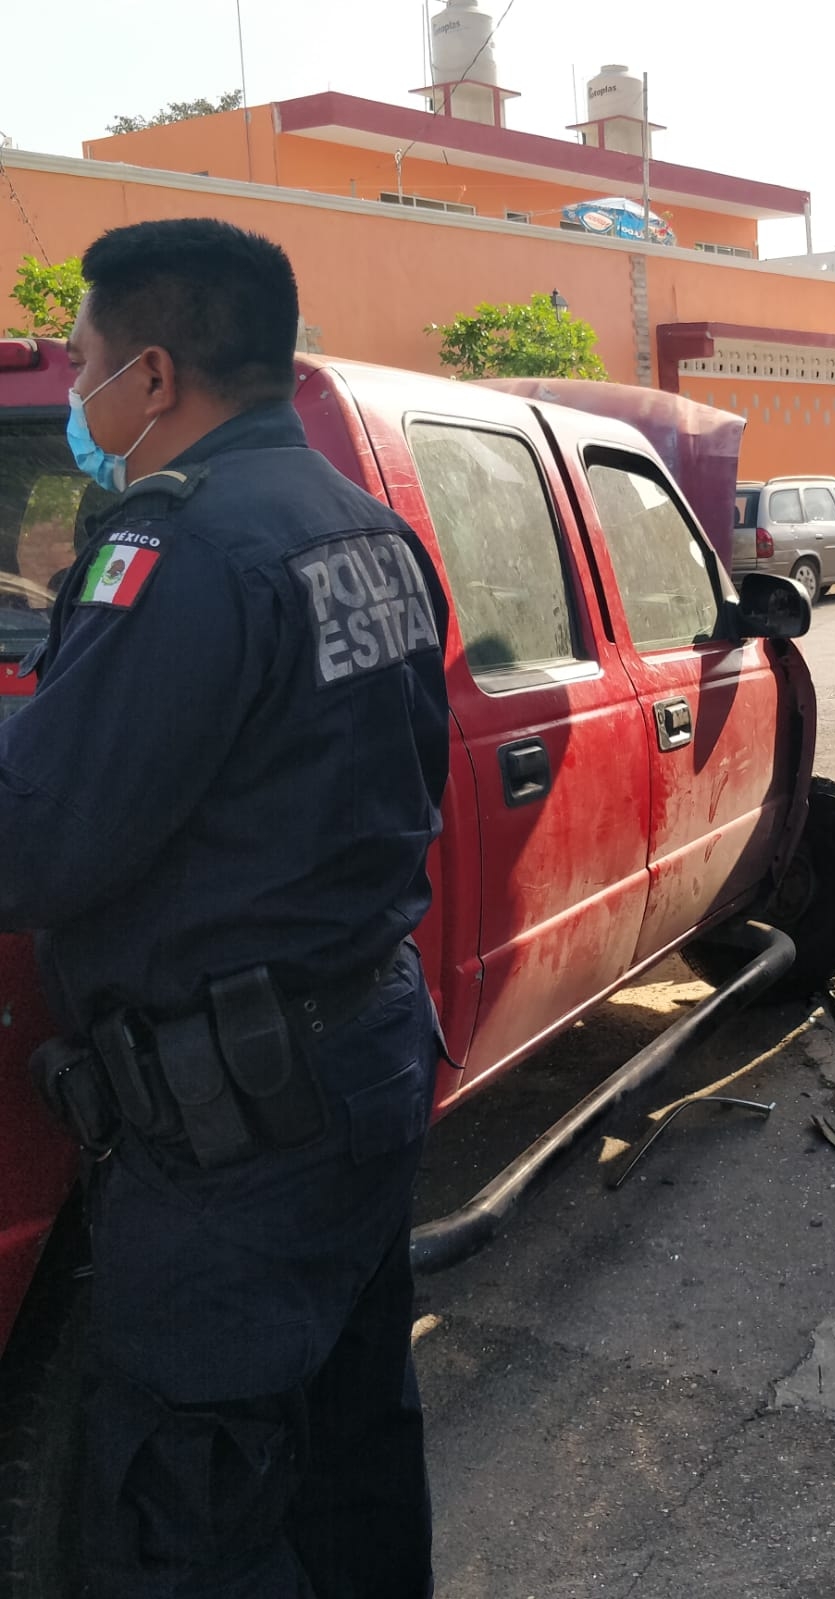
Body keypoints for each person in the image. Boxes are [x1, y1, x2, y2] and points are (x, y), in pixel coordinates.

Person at [0, 218, 450, 1596]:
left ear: (149, 375)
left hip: (234, 1132)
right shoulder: (360, 525)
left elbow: (37, 848)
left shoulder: (177, 549)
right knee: (346, 1449)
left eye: (80, 366)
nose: (75, 399)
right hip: (356, 1067)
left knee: (188, 1498)